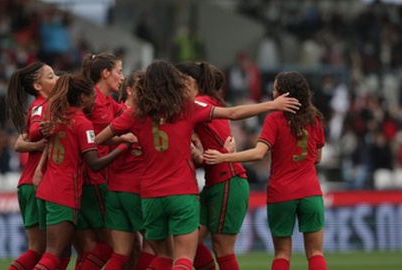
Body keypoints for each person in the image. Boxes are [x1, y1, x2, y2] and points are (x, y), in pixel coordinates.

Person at [95, 60, 300, 270]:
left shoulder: (135, 114)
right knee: (184, 258)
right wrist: (272, 105)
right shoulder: (186, 108)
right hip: (182, 193)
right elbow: (233, 113)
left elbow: (98, 139)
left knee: (164, 256)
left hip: (150, 196)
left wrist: (126, 139)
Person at [204, 71, 327, 270]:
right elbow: (318, 158)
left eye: (275, 88)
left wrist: (224, 157)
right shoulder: (315, 119)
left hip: (282, 193)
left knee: (281, 254)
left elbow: (259, 153)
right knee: (315, 253)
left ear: (284, 94)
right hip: (310, 192)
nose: (272, 91)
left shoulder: (275, 119)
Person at [33, 74, 129, 270]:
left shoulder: (54, 117)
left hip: (46, 191)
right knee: (53, 255)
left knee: (62, 255)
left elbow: (33, 134)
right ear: (84, 97)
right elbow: (94, 163)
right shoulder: (82, 123)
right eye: (93, 96)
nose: (96, 100)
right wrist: (123, 147)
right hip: (64, 192)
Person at [175, 61, 249, 270]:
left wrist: (272, 105)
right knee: (189, 241)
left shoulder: (198, 104)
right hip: (215, 180)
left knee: (222, 249)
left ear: (189, 82)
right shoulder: (208, 102)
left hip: (228, 180)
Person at [6, 61, 62, 270]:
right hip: (37, 184)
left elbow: (21, 142)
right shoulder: (41, 106)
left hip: (31, 184)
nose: (56, 79)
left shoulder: (41, 106)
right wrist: (40, 136)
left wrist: (34, 143)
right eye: (50, 76)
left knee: (42, 250)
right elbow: (36, 129)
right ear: (38, 86)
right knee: (43, 250)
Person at [74, 52, 125, 270]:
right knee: (115, 246)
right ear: (105, 73)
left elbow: (129, 115)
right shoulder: (89, 99)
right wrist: (124, 141)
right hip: (92, 179)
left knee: (90, 249)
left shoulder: (108, 101)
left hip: (96, 178)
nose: (122, 78)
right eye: (119, 72)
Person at [102, 70, 156, 270]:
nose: (149, 91)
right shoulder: (138, 117)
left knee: (120, 254)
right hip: (136, 190)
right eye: (144, 87)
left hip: (115, 190)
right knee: (158, 247)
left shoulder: (116, 113)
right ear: (131, 90)